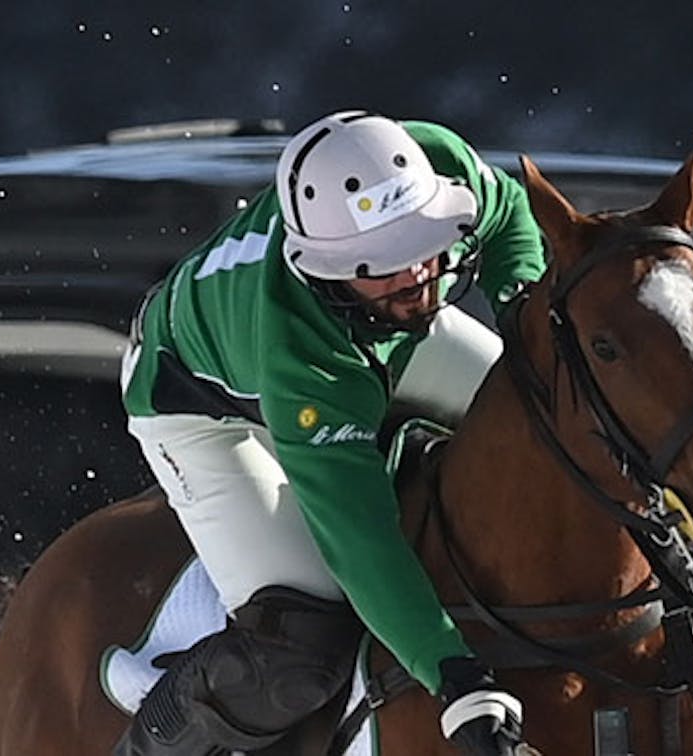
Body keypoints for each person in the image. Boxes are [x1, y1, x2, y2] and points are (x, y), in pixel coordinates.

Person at [114, 111, 540, 756]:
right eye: (386, 265)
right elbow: (359, 535)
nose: (418, 278)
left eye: (425, 245)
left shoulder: (434, 159)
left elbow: (510, 219)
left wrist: (523, 316)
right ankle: (156, 723)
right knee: (297, 654)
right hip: (196, 405)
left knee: (541, 414)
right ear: (329, 268)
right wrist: (450, 672)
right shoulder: (303, 362)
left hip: (373, 338)